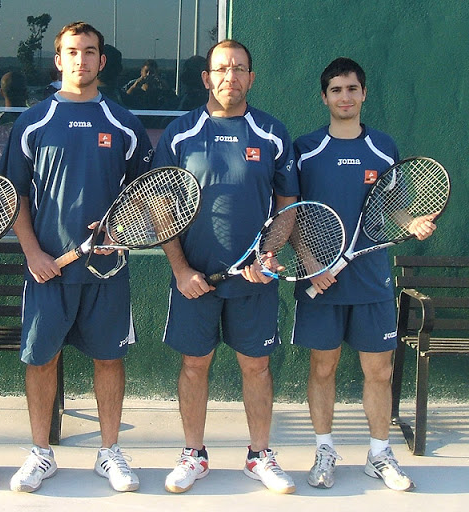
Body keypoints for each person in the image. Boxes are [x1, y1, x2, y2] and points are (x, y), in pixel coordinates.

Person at [0, 21, 153, 494]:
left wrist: (124, 231)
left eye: (90, 52)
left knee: (109, 361)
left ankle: (109, 453)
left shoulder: (124, 123)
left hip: (108, 270)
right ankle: (41, 454)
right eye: (72, 51)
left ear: (102, 62)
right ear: (58, 59)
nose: (81, 60)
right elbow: (13, 196)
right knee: (40, 361)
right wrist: (33, 254)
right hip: (48, 274)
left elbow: (150, 196)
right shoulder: (33, 122)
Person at [151, 39, 299, 494]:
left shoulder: (272, 133)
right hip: (194, 278)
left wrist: (267, 254)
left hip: (253, 280)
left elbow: (288, 205)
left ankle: (259, 456)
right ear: (206, 78)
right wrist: (179, 269)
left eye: (238, 68)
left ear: (251, 78)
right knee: (195, 365)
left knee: (256, 366)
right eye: (221, 68)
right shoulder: (179, 134)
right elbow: (158, 206)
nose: (229, 76)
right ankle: (193, 455)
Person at [292, 57, 437, 492]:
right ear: (324, 97)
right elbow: (293, 215)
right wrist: (310, 264)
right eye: (336, 90)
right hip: (320, 281)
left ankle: (379, 455)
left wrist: (411, 221)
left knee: (379, 371)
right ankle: (324, 450)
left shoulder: (383, 148)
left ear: (364, 94)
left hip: (372, 282)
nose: (345, 97)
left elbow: (388, 206)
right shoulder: (306, 148)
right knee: (323, 368)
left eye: (352, 89)